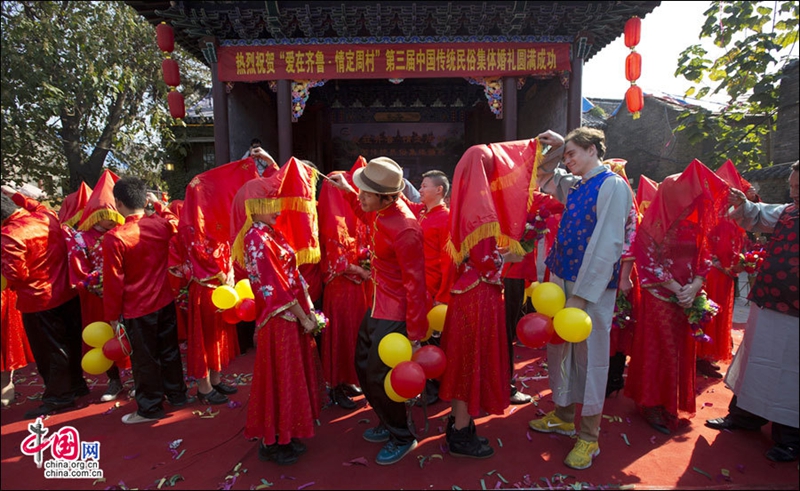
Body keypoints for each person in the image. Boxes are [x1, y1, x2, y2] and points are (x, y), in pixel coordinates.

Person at [528, 128, 631, 470]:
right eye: (566, 155)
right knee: (561, 349)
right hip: (562, 276)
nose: (567, 160)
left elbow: (609, 243)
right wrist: (557, 147)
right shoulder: (576, 184)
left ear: (592, 150)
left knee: (591, 356)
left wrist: (584, 296)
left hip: (593, 287)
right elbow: (541, 172)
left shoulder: (611, 185)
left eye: (572, 153)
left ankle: (588, 437)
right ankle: (561, 414)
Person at [329, 157, 429, 466]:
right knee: (363, 367)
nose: (361, 196)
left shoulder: (406, 229)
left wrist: (415, 334)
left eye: (365, 192)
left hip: (396, 312)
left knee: (379, 375)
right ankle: (388, 422)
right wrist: (347, 190)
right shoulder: (381, 212)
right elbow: (362, 213)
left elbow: (416, 285)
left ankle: (402, 434)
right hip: (377, 304)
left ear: (386, 196)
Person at [625, 160, 729, 435]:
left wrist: (695, 286)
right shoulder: (651, 225)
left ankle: (671, 402)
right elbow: (648, 262)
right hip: (660, 297)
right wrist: (677, 289)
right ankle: (651, 403)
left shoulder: (695, 224)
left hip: (687, 295)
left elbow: (704, 257)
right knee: (660, 349)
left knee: (681, 350)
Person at [705, 161, 799, 463]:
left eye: (799, 187)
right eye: (793, 187)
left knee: (792, 374)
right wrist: (742, 203)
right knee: (757, 360)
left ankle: (791, 438)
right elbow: (756, 214)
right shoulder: (787, 213)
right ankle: (745, 416)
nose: (795, 192)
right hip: (769, 301)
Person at [233, 170, 324, 466]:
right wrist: (304, 317)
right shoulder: (256, 239)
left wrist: (309, 309)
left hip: (292, 315)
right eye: (270, 203)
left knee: (290, 377)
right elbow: (277, 288)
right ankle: (273, 439)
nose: (278, 208)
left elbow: (294, 276)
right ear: (254, 206)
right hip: (279, 318)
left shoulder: (272, 234)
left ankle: (289, 432)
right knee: (280, 379)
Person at [102, 177, 190, 424]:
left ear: (118, 203)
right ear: (144, 199)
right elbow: (178, 222)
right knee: (169, 351)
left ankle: (150, 407)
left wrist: (111, 315)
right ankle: (177, 394)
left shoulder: (115, 237)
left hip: (137, 307)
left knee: (145, 359)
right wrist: (159, 206)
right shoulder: (160, 225)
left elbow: (113, 282)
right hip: (164, 299)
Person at [2, 193, 88, 419]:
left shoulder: (9, 235)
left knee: (51, 351)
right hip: (66, 290)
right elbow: (37, 203)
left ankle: (59, 396)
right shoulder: (45, 217)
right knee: (70, 342)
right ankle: (76, 385)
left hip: (39, 299)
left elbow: (14, 275)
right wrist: (14, 194)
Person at [63, 169, 128, 402]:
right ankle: (114, 379)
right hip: (96, 294)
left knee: (128, 334)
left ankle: (135, 378)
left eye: (114, 213)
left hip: (123, 291)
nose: (111, 220)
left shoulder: (123, 232)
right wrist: (93, 283)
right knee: (104, 337)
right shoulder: (80, 238)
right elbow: (78, 267)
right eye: (105, 214)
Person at [502, 191, 564, 405]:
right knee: (504, 332)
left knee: (499, 332)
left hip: (500, 272)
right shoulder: (526, 195)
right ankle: (503, 387)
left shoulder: (506, 192)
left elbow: (558, 205)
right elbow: (560, 204)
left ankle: (494, 385)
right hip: (508, 272)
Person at [318, 166, 371, 410]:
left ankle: (348, 379)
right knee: (339, 336)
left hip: (355, 288)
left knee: (353, 335)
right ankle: (335, 385)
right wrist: (361, 271)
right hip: (340, 287)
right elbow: (336, 260)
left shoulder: (350, 215)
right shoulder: (330, 218)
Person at [402, 169, 453, 405]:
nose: (419, 190)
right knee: (420, 338)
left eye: (423, 186)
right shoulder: (421, 213)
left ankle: (436, 387)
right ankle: (429, 384)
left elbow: (449, 261)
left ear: (439, 190)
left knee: (432, 340)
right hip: (418, 288)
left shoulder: (446, 218)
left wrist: (442, 296)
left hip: (433, 291)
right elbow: (399, 202)